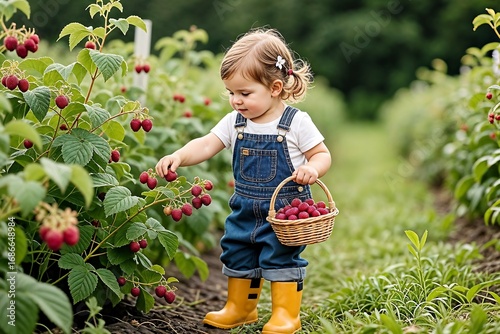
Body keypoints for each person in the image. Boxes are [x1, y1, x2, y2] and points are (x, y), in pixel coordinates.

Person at [155, 27, 331, 334]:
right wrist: (180, 156)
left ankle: (286, 314)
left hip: (284, 211)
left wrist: (313, 170)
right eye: (231, 93)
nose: (236, 101)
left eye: (245, 93)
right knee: (237, 250)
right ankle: (240, 308)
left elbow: (322, 154)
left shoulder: (295, 122)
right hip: (244, 207)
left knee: (280, 257)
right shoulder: (235, 121)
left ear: (275, 87)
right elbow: (207, 143)